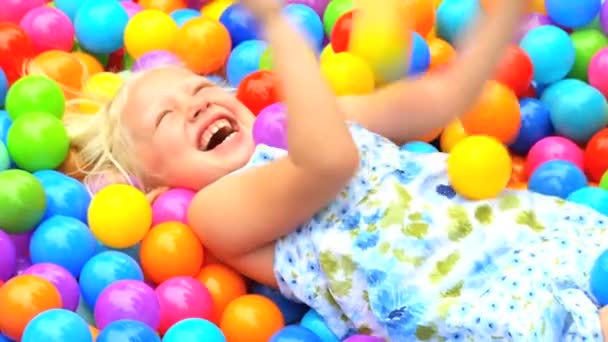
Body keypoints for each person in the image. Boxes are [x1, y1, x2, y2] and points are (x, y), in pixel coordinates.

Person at [62, 0, 608, 340]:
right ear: (157, 184)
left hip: (523, 233)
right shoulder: (215, 210)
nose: (197, 105)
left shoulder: (309, 119)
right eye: (167, 118)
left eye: (203, 88)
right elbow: (329, 163)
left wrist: (501, 21)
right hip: (473, 297)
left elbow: (440, 101)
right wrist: (279, 26)